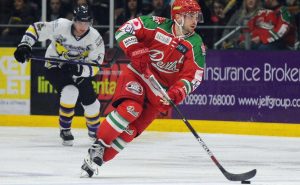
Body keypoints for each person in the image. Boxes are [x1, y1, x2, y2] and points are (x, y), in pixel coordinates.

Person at [80, 0, 206, 177]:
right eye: (190, 16)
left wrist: (176, 93)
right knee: (131, 110)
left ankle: (92, 162)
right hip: (138, 76)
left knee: (130, 132)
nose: (195, 20)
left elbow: (194, 76)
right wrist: (135, 50)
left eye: (196, 16)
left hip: (160, 92)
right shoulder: (155, 24)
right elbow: (124, 30)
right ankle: (99, 145)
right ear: (177, 17)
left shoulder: (195, 44)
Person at [13, 5, 105, 146]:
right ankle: (65, 129)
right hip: (55, 66)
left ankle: (94, 132)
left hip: (79, 70)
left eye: (87, 23)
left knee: (92, 105)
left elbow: (95, 67)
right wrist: (25, 45)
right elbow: (36, 28)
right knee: (70, 91)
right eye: (80, 22)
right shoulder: (60, 25)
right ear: (73, 20)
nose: (83, 26)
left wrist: (80, 70)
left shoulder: (95, 38)